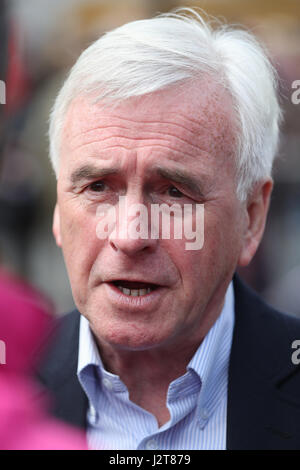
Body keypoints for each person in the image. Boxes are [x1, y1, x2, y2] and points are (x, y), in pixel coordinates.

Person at [38, 8, 300, 450]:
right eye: (98, 186)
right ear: (59, 209)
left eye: (174, 193)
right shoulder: (17, 384)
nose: (130, 235)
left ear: (252, 218)